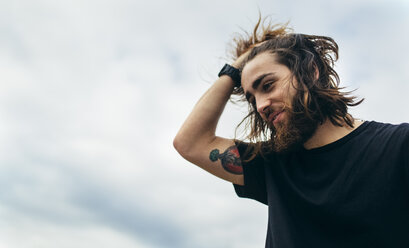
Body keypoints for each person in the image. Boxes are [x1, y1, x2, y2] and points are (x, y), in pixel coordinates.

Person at [173, 17, 409, 248]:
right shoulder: (272, 165)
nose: (261, 106)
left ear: (311, 70)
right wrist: (236, 68)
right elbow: (190, 143)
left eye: (268, 85)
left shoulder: (398, 146)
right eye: (252, 99)